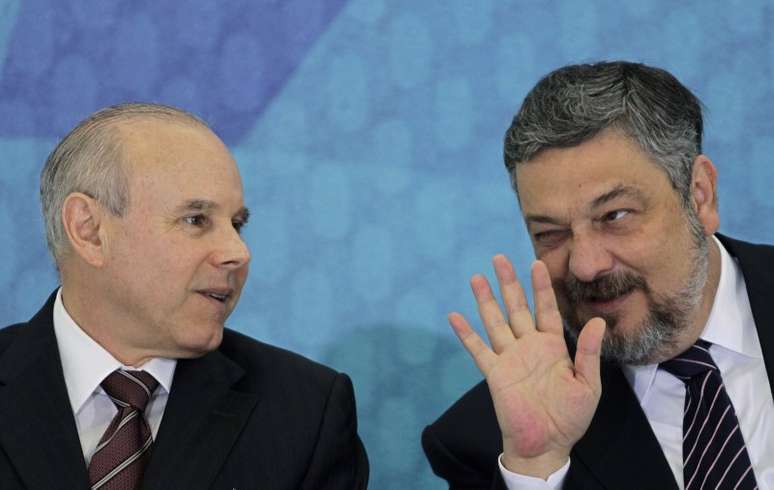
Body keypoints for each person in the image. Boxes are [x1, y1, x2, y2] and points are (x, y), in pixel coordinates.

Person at [422, 61, 774, 489]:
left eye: (615, 215)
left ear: (699, 195)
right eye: (550, 234)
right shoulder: (493, 441)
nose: (585, 265)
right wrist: (538, 468)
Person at [0, 103, 369, 489]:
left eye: (237, 224)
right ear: (90, 230)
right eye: (196, 220)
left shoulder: (303, 413)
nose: (237, 252)